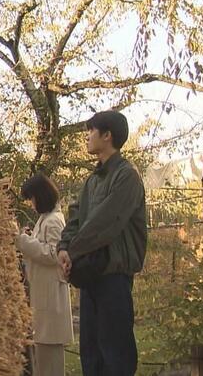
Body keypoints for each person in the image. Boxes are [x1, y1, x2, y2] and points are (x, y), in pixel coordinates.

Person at [57, 111, 147, 376]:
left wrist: (72, 251)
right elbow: (76, 217)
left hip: (114, 276)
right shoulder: (92, 180)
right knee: (91, 353)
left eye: (91, 130)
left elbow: (104, 223)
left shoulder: (127, 175)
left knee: (115, 354)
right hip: (91, 274)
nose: (87, 136)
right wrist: (63, 248)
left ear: (107, 136)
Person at [15, 173, 73, 376]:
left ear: (41, 195)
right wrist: (29, 239)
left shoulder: (54, 220)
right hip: (43, 296)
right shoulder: (45, 219)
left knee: (50, 364)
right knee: (44, 361)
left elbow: (53, 254)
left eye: (32, 198)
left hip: (51, 299)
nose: (31, 203)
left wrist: (22, 241)